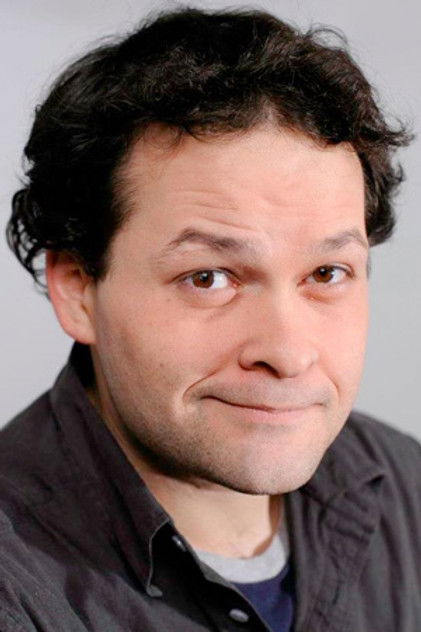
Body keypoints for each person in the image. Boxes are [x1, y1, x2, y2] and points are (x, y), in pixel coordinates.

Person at [2, 6, 420, 632]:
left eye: (326, 273)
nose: (288, 352)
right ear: (78, 288)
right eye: (208, 278)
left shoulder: (408, 486)